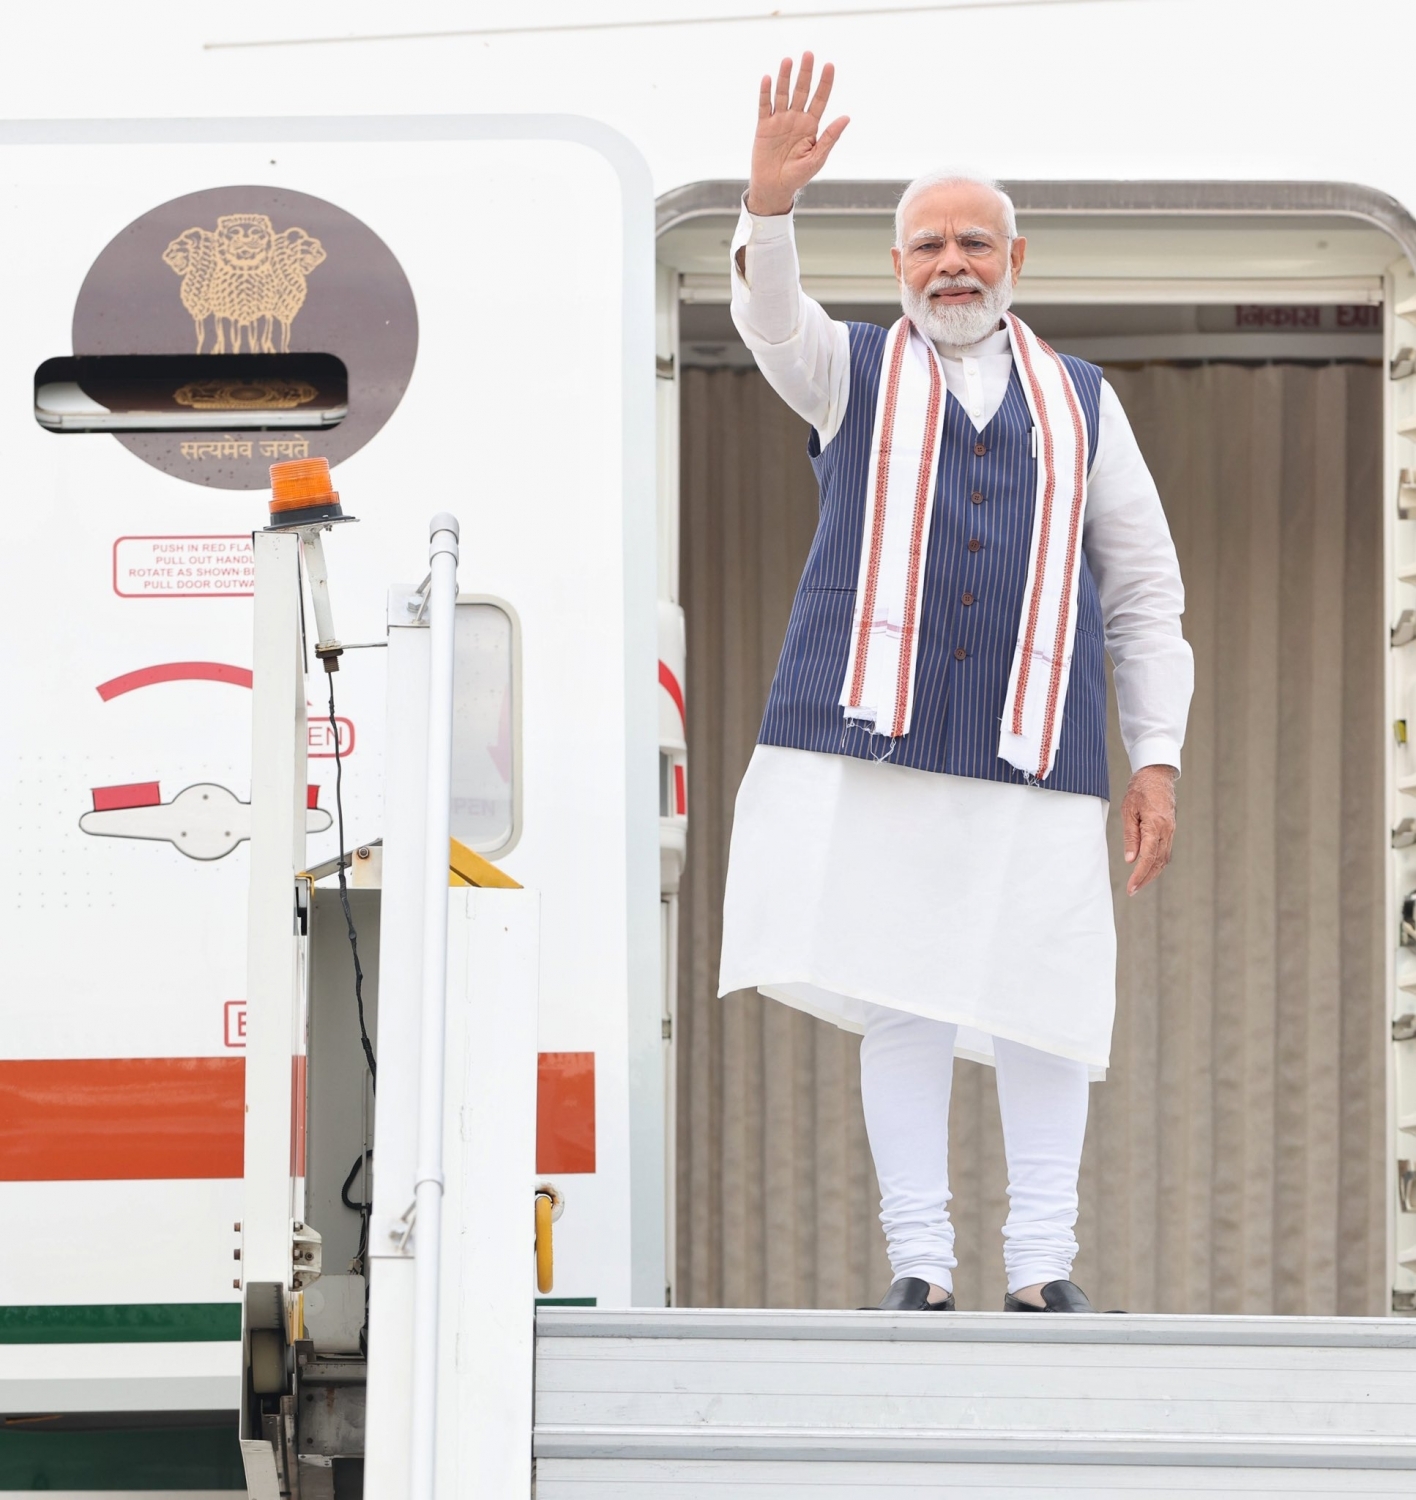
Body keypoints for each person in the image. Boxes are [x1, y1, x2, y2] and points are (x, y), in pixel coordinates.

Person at [718, 54, 1194, 1313]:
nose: (952, 265)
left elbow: (1144, 588)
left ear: (1015, 260)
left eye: (975, 243)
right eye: (928, 245)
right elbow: (770, 320)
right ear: (896, 267)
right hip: (883, 737)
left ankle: (1042, 1269)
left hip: (1041, 747)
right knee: (905, 999)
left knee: (1047, 1001)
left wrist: (1155, 757)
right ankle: (920, 1265)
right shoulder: (848, 370)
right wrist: (769, 207)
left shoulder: (1084, 403)